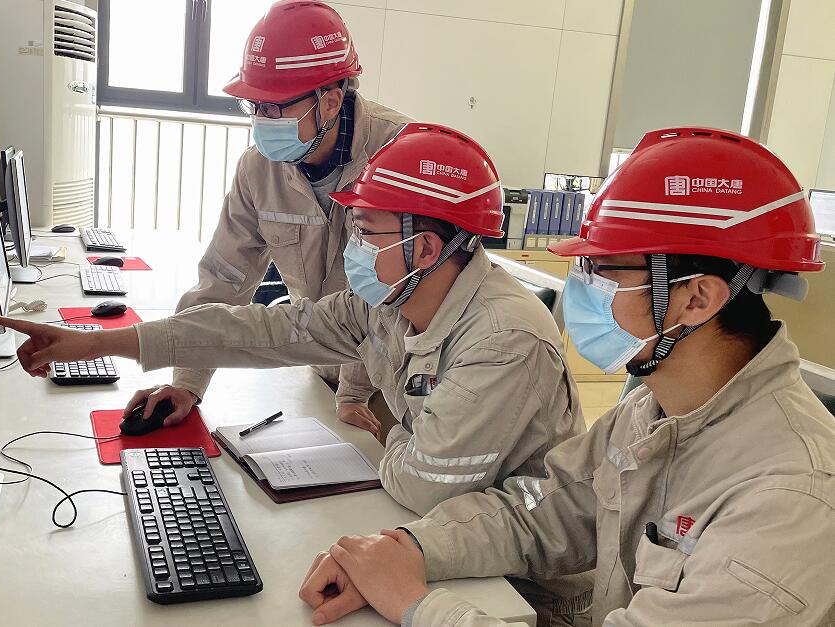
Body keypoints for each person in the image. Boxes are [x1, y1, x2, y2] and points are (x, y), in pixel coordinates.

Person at [0, 123, 589, 616]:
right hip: (439, 536)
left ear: (425, 249)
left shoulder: (504, 340)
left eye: (366, 233)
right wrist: (102, 343)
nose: (353, 247)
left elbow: (422, 484)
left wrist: (395, 438)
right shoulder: (391, 299)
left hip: (524, 589)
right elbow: (268, 330)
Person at [296, 127, 835, 626]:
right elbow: (540, 510)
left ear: (697, 298)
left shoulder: (786, 498)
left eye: (603, 270)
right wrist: (406, 549)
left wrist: (417, 605)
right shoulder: (650, 411)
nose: (581, 288)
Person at [130, 0, 412, 437]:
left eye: (273, 107)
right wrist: (187, 382)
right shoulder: (258, 169)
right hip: (319, 371)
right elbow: (223, 279)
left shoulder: (401, 156)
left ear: (330, 102)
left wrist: (354, 392)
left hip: (389, 387)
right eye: (254, 106)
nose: (261, 121)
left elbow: (396, 296)